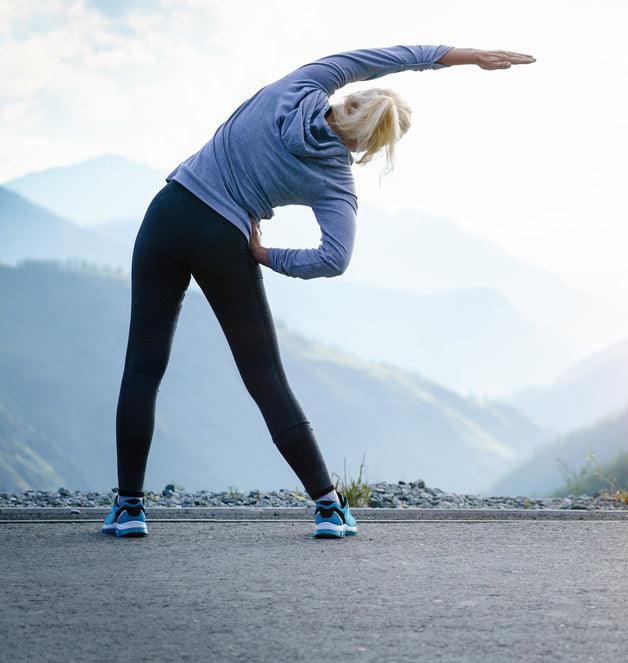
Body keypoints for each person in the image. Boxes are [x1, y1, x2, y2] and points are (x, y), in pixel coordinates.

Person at [102, 44, 536, 539]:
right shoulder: (335, 179)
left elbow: (391, 55)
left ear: (349, 95)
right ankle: (329, 508)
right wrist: (267, 255)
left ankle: (129, 507)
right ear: (372, 144)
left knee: (143, 364)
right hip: (225, 239)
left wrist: (465, 56)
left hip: (167, 213)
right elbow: (335, 258)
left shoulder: (303, 83)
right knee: (264, 375)